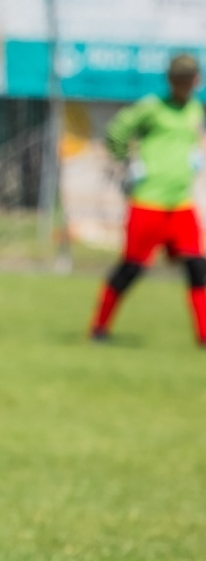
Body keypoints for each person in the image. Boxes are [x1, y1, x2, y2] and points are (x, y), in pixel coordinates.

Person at [90, 54, 206, 344]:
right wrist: (127, 162)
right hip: (149, 201)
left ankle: (204, 335)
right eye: (180, 76)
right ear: (171, 79)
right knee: (132, 267)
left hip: (180, 203)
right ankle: (99, 328)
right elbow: (116, 131)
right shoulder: (152, 107)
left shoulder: (195, 109)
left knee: (198, 268)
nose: (186, 82)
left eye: (190, 76)